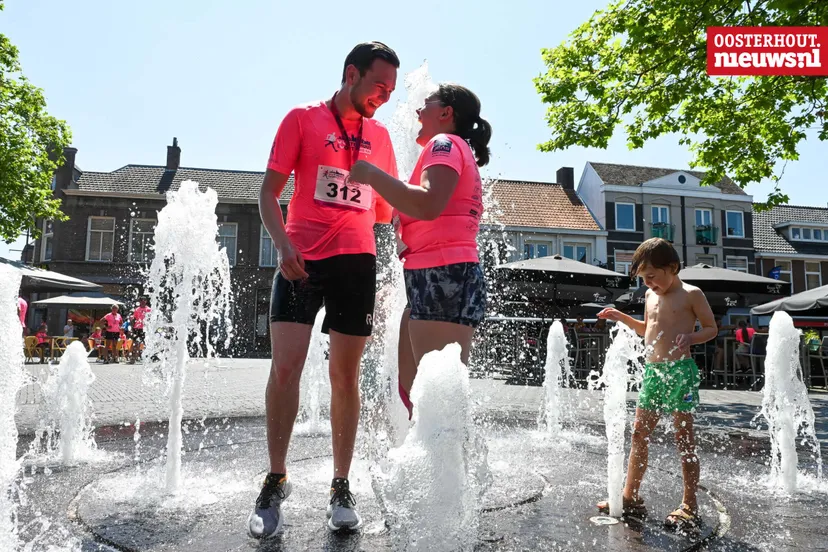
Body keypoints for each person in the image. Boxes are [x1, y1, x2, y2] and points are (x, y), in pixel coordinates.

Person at [250, 41, 400, 538]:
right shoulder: (302, 118)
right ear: (351, 74)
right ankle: (276, 479)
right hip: (300, 260)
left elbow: (385, 211)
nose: (384, 97)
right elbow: (268, 193)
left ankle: (341, 485)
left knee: (345, 377)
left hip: (356, 262)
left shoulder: (381, 136)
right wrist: (281, 245)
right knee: (285, 368)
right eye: (379, 86)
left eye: (391, 91)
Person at [349, 83, 491, 417]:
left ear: (446, 113)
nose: (417, 110)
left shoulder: (444, 143)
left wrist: (371, 174)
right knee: (417, 392)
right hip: (437, 275)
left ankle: (447, 452)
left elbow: (428, 203)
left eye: (426, 104)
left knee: (436, 403)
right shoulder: (452, 147)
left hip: (443, 274)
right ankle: (430, 451)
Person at [594, 238, 716, 532]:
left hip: (680, 373)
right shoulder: (650, 296)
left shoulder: (691, 294)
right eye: (643, 278)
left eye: (651, 276)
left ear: (671, 267)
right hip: (653, 372)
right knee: (639, 434)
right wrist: (621, 317)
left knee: (684, 437)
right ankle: (630, 496)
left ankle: (689, 504)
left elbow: (711, 329)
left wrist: (691, 338)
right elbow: (646, 330)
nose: (648, 283)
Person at [130, 297, 151, 364]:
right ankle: (133, 358)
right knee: (135, 343)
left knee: (145, 343)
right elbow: (134, 319)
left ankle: (145, 358)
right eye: (141, 300)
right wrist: (132, 327)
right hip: (137, 328)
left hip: (145, 328)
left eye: (144, 300)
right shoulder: (137, 309)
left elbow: (151, 319)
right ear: (139, 301)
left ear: (146, 301)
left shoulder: (149, 309)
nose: (142, 301)